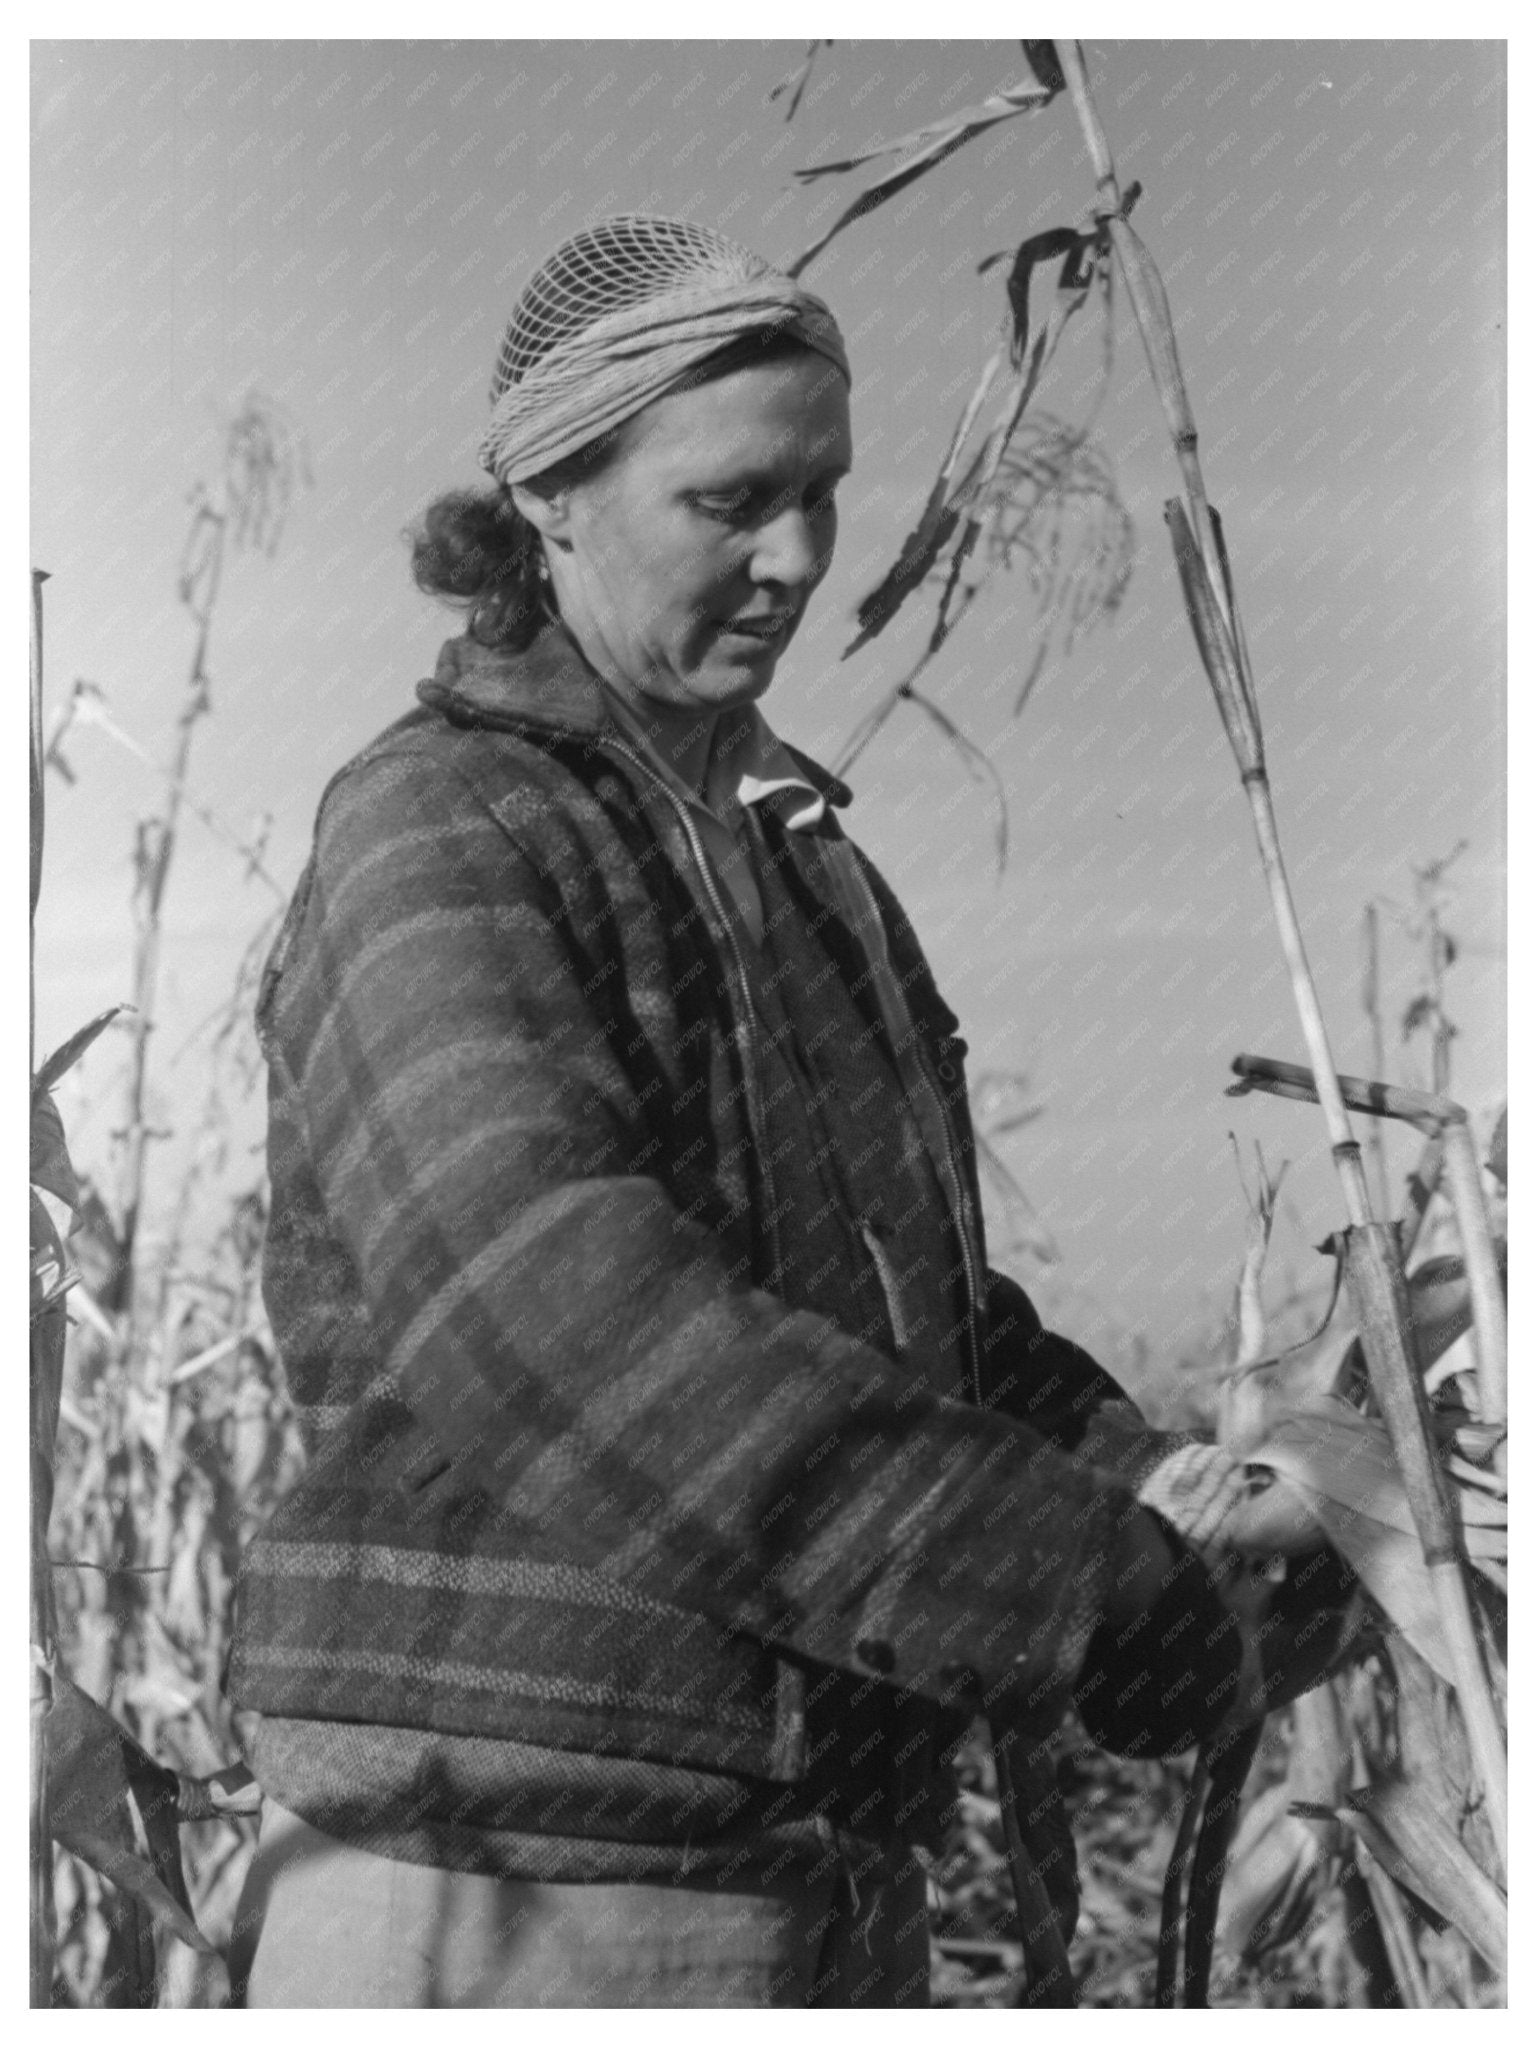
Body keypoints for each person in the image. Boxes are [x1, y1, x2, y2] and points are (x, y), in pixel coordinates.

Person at [225, 217, 1345, 2008]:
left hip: (822, 1887)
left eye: (822, 492)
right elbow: (562, 1330)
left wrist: (1174, 1492)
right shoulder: (445, 830)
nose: (801, 558)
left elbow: (919, 1334)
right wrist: (1093, 1593)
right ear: (553, 498)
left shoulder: (808, 871)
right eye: (731, 501)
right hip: (522, 1897)